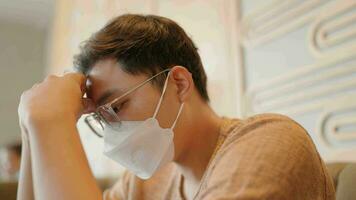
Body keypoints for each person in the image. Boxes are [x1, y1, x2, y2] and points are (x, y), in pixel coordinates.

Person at [17, 14, 335, 200]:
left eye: (117, 105)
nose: (112, 132)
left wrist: (53, 123)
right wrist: (31, 127)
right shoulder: (143, 184)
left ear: (179, 84)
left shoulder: (270, 141)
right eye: (102, 118)